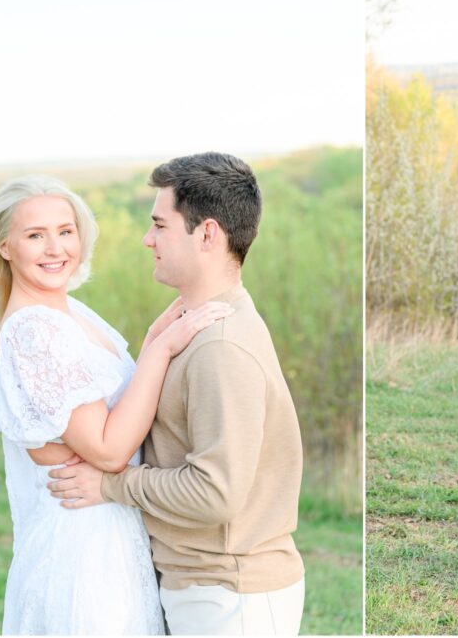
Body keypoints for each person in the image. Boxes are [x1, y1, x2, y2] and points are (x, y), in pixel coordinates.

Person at [47, 152, 306, 636]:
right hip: (208, 590)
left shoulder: (221, 347)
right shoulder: (196, 328)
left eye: (160, 225)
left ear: (207, 234)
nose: (148, 239)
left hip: (231, 599)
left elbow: (214, 493)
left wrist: (111, 485)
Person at [0, 175, 232, 634]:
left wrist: (153, 336)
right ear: (5, 247)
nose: (56, 248)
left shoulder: (69, 311)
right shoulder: (34, 329)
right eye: (35, 235)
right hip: (80, 548)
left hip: (112, 530)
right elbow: (109, 449)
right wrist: (161, 350)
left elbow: (114, 415)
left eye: (65, 231)